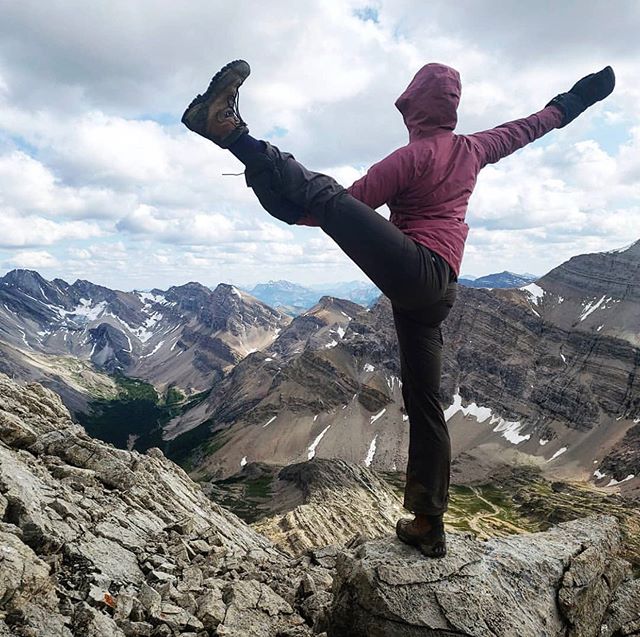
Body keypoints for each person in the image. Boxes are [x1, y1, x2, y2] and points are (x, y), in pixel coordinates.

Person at [181, 60, 615, 557]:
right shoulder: (478, 146)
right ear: (450, 106)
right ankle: (428, 525)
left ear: (413, 106)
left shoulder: (409, 159)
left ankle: (229, 130)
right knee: (425, 402)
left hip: (418, 274)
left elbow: (344, 206)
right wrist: (588, 92)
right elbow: (543, 120)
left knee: (323, 195)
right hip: (438, 295)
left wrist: (283, 200)